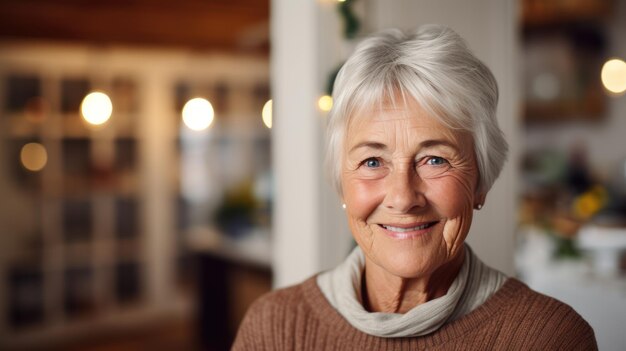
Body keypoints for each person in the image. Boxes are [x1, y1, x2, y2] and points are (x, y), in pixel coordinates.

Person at [233, 25, 597, 350]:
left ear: (480, 182)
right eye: (372, 162)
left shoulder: (550, 339)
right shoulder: (275, 328)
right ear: (343, 186)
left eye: (435, 159)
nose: (403, 198)